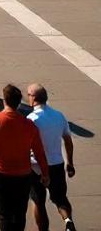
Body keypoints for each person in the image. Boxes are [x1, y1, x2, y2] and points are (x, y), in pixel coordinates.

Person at [0, 83, 48, 231]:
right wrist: (45, 173)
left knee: (4, 214)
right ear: (19, 103)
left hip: (1, 173)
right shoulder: (29, 125)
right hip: (23, 176)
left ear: (4, 101)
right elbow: (39, 152)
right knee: (19, 214)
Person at [26, 83, 77, 231]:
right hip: (57, 164)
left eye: (28, 95)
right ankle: (68, 221)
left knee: (38, 201)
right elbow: (68, 141)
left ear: (33, 98)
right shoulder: (59, 116)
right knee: (61, 199)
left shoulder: (31, 119)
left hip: (36, 167)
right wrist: (70, 163)